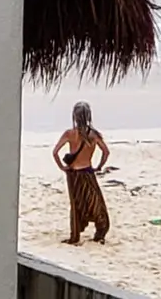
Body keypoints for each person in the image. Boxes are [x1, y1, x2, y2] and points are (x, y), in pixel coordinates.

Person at [52, 101, 111, 245]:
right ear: (89, 116)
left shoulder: (70, 134)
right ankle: (100, 232)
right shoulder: (94, 135)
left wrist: (62, 167)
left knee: (76, 203)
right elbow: (106, 152)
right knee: (96, 202)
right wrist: (99, 166)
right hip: (88, 172)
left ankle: (75, 236)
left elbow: (55, 152)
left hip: (73, 174)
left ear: (74, 116)